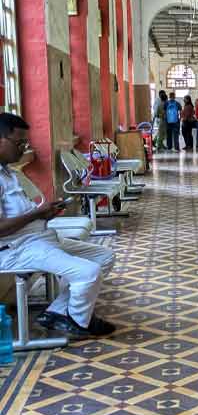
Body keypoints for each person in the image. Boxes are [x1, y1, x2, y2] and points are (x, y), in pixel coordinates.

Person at [0, 113, 116, 339]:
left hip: (38, 239)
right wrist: (37, 214)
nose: (23, 149)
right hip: (15, 250)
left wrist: (45, 215)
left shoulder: (9, 173)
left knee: (104, 257)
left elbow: (21, 215)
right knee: (89, 273)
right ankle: (77, 321)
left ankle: (59, 312)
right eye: (19, 143)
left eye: (26, 143)